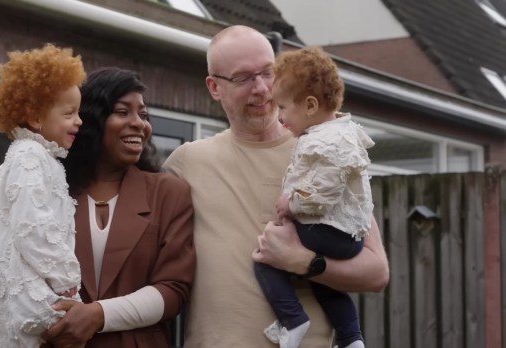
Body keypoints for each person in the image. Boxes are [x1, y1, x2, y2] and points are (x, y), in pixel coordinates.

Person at [163, 25, 389, 348]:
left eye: (268, 73)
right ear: (214, 87)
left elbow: (376, 271)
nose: (263, 89)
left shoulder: (324, 150)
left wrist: (304, 262)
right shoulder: (185, 164)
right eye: (243, 78)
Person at [43, 67, 196, 348]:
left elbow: (174, 290)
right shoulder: (52, 192)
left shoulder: (169, 193)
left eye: (143, 114)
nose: (139, 123)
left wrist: (98, 315)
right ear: (92, 120)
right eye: (123, 112)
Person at [0, 43, 86, 348]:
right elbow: (34, 227)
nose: (79, 121)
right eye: (69, 113)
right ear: (35, 117)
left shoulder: (33, 158)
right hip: (23, 295)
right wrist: (67, 281)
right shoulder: (29, 157)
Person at [254, 46, 374, 348]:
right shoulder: (339, 133)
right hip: (345, 235)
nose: (280, 117)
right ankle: (351, 338)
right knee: (326, 285)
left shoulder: (326, 141)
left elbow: (326, 188)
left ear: (309, 105)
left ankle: (293, 320)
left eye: (283, 108)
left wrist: (292, 203)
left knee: (267, 259)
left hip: (330, 231)